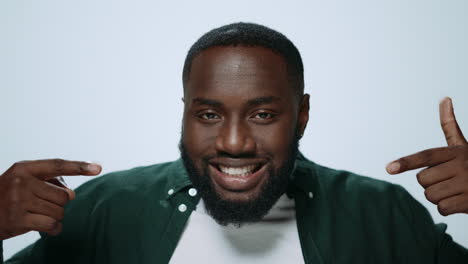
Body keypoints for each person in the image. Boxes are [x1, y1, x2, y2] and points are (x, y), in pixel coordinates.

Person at [1, 22, 467, 264]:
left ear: (302, 115)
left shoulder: (381, 214)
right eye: (208, 114)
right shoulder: (102, 209)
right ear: (184, 111)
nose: (234, 141)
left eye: (263, 114)